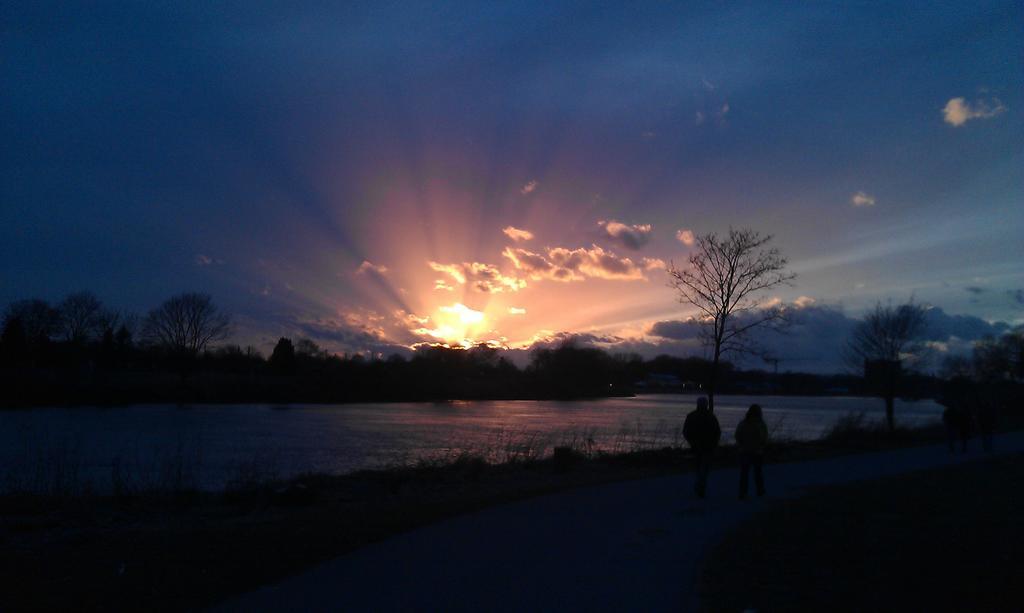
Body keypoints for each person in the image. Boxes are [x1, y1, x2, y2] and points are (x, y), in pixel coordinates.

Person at [683, 396, 720, 498]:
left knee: (698, 467)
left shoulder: (691, 416)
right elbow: (717, 432)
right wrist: (714, 444)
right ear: (706, 405)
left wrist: (691, 442)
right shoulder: (711, 416)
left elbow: (685, 431)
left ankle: (699, 484)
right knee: (705, 468)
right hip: (708, 446)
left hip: (695, 446)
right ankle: (701, 485)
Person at [735, 403, 768, 499]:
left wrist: (741, 444)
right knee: (758, 473)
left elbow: (737, 435)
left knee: (744, 473)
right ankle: (760, 490)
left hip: (744, 451)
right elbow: (764, 437)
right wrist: (762, 445)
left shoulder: (743, 423)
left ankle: (743, 492)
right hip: (757, 451)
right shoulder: (761, 423)